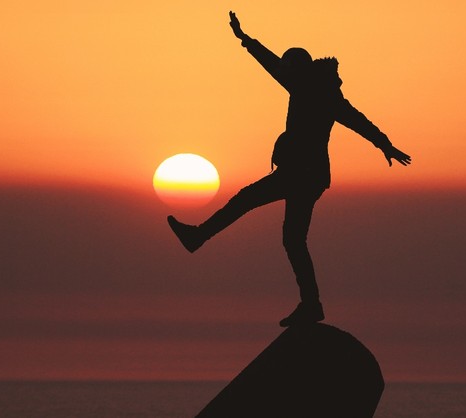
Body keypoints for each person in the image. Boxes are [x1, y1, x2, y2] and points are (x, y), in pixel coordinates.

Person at [168, 11, 411, 327]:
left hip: (301, 173)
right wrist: (385, 144)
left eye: (288, 67)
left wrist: (245, 40)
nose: (285, 72)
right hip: (310, 176)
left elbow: (274, 66)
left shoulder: (308, 87)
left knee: (247, 201)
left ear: (297, 68)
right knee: (293, 239)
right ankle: (311, 305)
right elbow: (357, 119)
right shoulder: (324, 91)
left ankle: (198, 237)